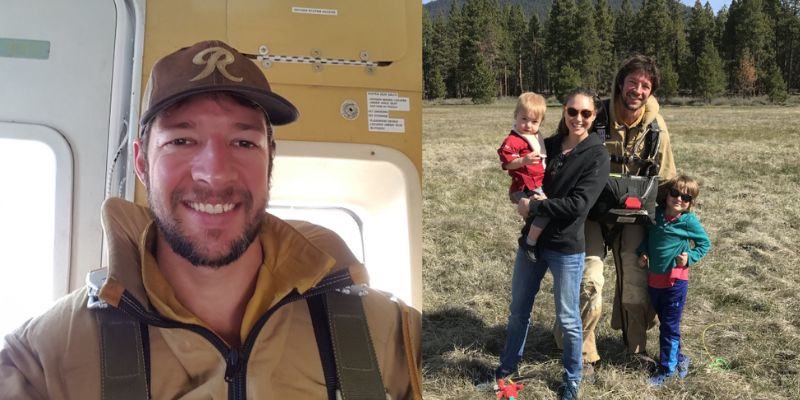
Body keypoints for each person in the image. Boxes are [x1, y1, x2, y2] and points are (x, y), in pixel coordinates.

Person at [0, 40, 422, 400]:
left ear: (269, 161)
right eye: (182, 140)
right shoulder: (45, 360)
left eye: (243, 141)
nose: (216, 172)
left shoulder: (388, 334)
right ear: (143, 163)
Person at [553, 56, 678, 381]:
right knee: (589, 279)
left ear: (651, 92)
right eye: (632, 82)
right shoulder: (592, 115)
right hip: (590, 213)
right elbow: (560, 154)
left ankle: (636, 349)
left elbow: (665, 179)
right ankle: (582, 355)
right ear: (620, 83)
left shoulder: (656, 127)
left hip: (636, 217)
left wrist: (674, 223)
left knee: (637, 283)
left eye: (645, 86)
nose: (637, 90)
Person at [495, 87, 610, 400]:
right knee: (518, 310)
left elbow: (578, 205)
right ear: (564, 111)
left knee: (569, 319)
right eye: (572, 111)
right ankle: (506, 374)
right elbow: (522, 173)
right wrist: (517, 192)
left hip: (565, 247)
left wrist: (534, 208)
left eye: (585, 113)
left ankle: (572, 380)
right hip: (531, 242)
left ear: (594, 116)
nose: (578, 118)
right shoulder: (549, 144)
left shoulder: (597, 154)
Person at [636, 174, 710, 386]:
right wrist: (643, 253)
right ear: (667, 193)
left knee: (668, 327)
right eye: (675, 193)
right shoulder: (655, 216)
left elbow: (705, 244)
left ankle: (666, 371)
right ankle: (679, 359)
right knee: (667, 325)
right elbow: (648, 239)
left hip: (676, 281)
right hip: (655, 281)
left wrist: (690, 257)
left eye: (685, 198)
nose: (679, 199)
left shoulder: (688, 221)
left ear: (690, 203)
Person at [497, 92, 549, 262]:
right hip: (527, 184)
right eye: (524, 119)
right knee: (545, 210)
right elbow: (506, 162)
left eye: (534, 122)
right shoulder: (514, 139)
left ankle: (535, 236)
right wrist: (522, 160)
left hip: (538, 181)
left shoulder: (536, 136)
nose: (528, 125)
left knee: (542, 210)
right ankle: (530, 242)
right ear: (515, 116)